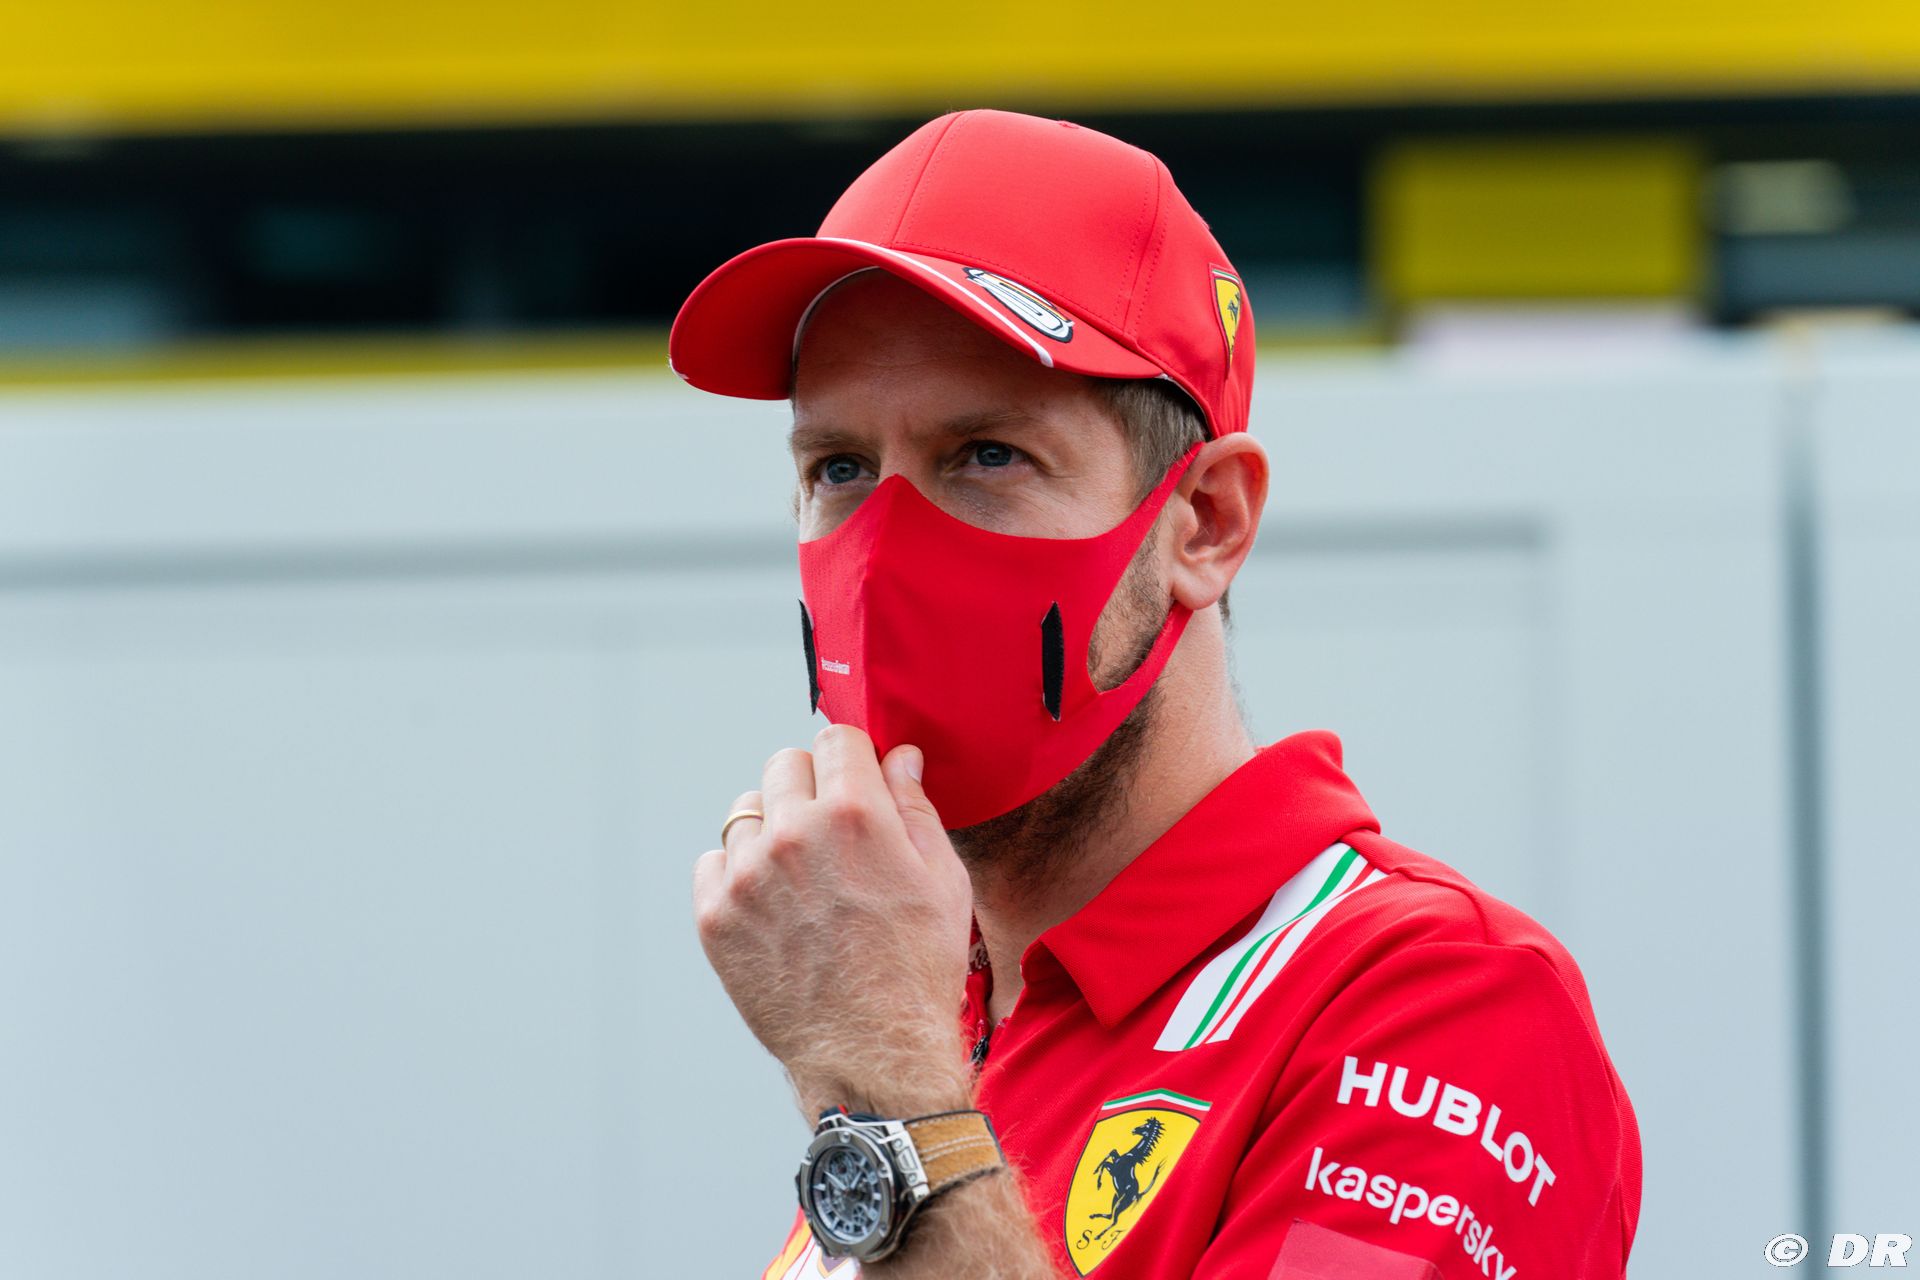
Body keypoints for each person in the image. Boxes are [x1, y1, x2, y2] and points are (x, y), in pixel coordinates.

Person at [668, 108, 1641, 1280]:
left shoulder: (1441, 1006)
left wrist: (888, 1088)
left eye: (987, 454)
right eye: (840, 467)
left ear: (1206, 522)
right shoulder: (931, 993)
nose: (882, 553)